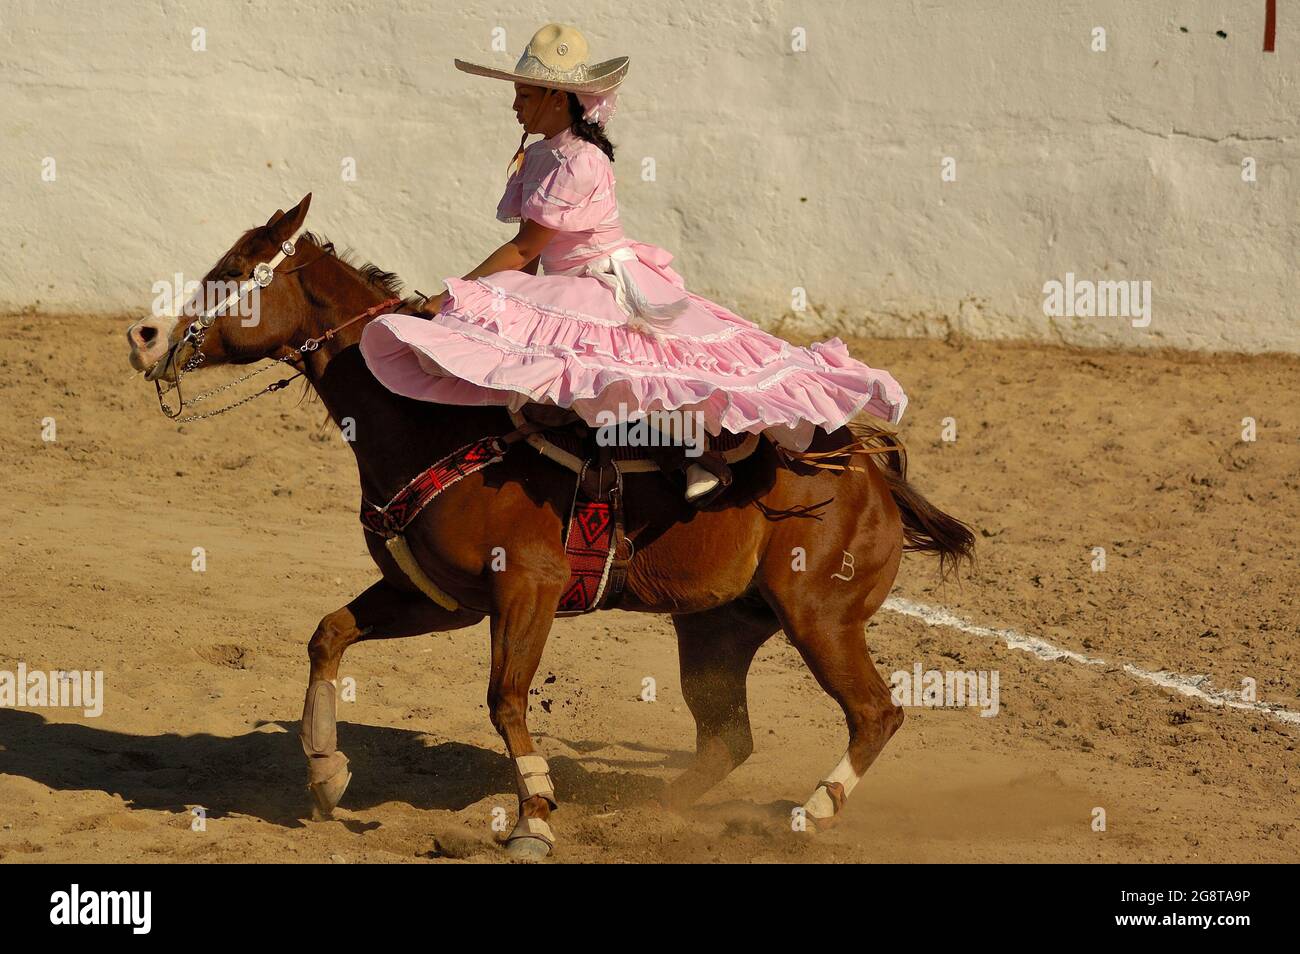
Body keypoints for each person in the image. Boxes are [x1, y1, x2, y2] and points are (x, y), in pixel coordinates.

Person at [360, 23, 907, 504]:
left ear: (558, 96)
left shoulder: (580, 160)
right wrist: (480, 303)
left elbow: (526, 249)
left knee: (648, 376)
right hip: (564, 282)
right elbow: (526, 266)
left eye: (526, 95)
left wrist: (449, 295)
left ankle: (692, 458)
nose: (515, 105)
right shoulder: (546, 152)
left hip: (600, 282)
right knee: (535, 362)